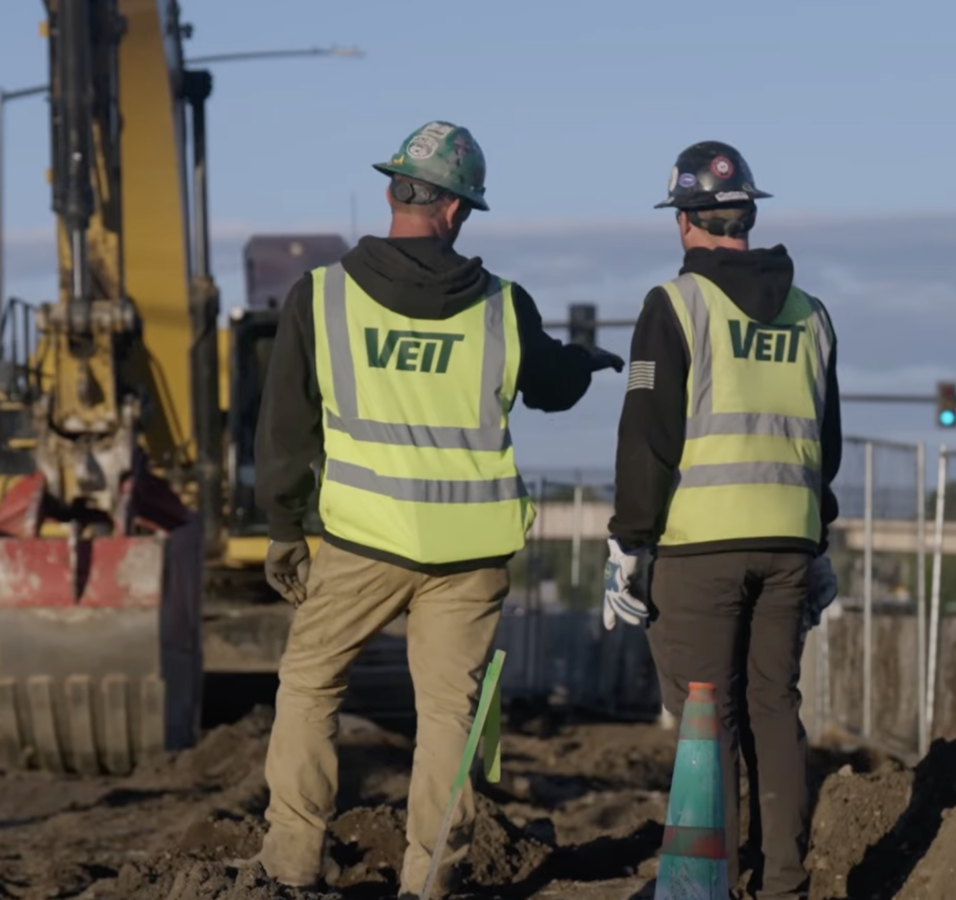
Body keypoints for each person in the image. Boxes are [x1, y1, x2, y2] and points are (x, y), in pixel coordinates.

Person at [253, 120, 625, 898]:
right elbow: (554, 387)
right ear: (457, 211)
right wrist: (584, 361)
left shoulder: (320, 298)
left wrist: (285, 528)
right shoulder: (501, 306)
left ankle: (291, 864)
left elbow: (285, 427)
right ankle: (428, 880)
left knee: (310, 688)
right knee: (448, 718)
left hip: (361, 541)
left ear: (395, 192)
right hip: (469, 554)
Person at [602, 140, 842, 900]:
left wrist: (630, 544)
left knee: (707, 716)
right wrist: (819, 537)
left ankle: (706, 885)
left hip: (700, 545)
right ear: (747, 215)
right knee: (775, 709)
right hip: (789, 542)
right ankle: (783, 884)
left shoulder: (674, 305)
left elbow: (648, 437)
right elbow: (823, 443)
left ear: (684, 221)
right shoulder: (812, 315)